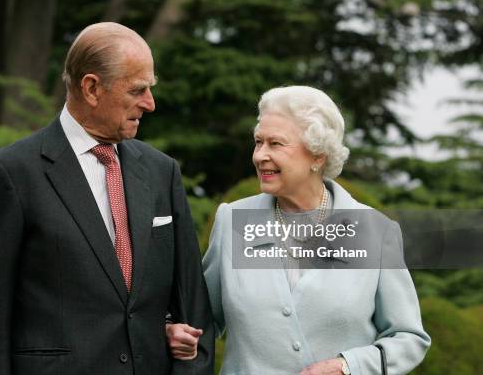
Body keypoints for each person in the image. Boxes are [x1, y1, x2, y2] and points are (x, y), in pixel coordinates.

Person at [0, 22, 214, 375]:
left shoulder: (162, 172)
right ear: (92, 88)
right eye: (138, 90)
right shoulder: (11, 175)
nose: (150, 103)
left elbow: (193, 308)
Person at [167, 86, 430, 374]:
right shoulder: (234, 220)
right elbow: (200, 319)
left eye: (276, 144)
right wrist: (174, 329)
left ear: (317, 155)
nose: (259, 156)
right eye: (258, 142)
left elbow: (408, 339)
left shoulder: (374, 231)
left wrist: (347, 366)